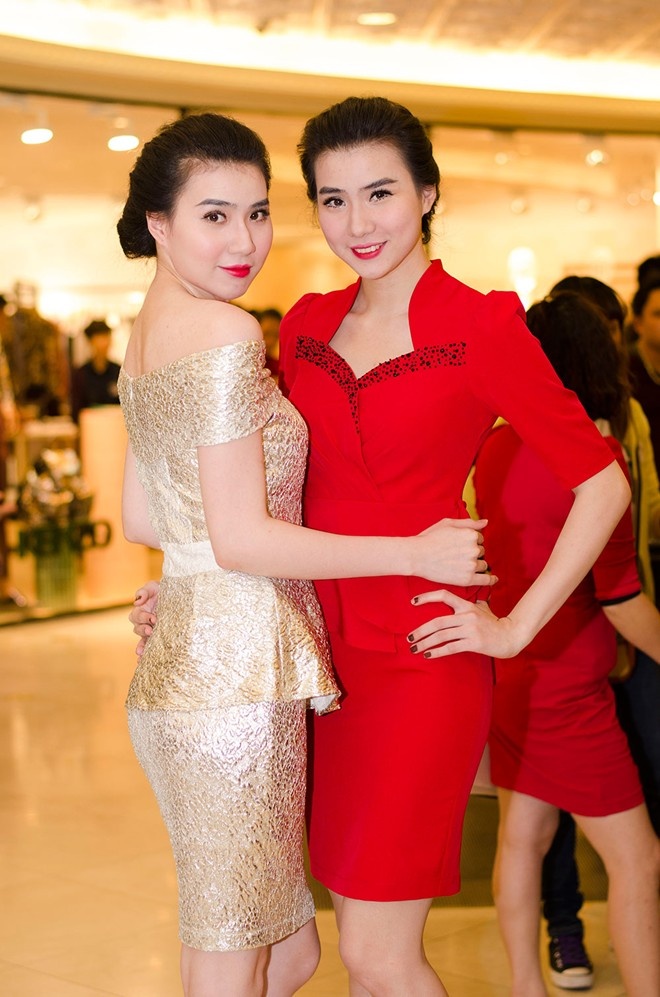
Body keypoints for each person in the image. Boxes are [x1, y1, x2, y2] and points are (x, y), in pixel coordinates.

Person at [131, 97, 629, 996]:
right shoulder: (302, 324)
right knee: (311, 944)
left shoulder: (482, 324)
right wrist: (200, 578)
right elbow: (257, 492)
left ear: (427, 193)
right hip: (305, 662)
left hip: (419, 661)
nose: (357, 223)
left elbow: (603, 484)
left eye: (380, 193)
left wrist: (512, 628)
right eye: (332, 199)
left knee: (377, 951)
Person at [116, 110, 496, 997]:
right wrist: (412, 551)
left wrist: (194, 582)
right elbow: (243, 536)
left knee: (286, 953)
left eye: (257, 212)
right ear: (158, 223)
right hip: (235, 679)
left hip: (196, 663)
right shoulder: (222, 333)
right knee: (232, 954)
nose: (244, 239)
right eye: (214, 215)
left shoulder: (148, 329)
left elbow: (144, 516)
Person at [472, 291, 660, 997]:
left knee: (523, 837)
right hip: (569, 689)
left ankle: (526, 985)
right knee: (638, 858)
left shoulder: (494, 446)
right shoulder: (592, 457)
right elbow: (622, 599)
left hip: (512, 673)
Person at [70, 318, 121, 421]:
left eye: (107, 337)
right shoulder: (81, 374)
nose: (104, 343)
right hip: (90, 428)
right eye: (99, 338)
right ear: (90, 341)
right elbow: (76, 410)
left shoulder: (119, 371)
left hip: (116, 427)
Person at [258, 307, 282, 377]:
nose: (270, 341)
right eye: (267, 334)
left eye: (275, 335)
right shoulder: (248, 363)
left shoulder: (279, 368)